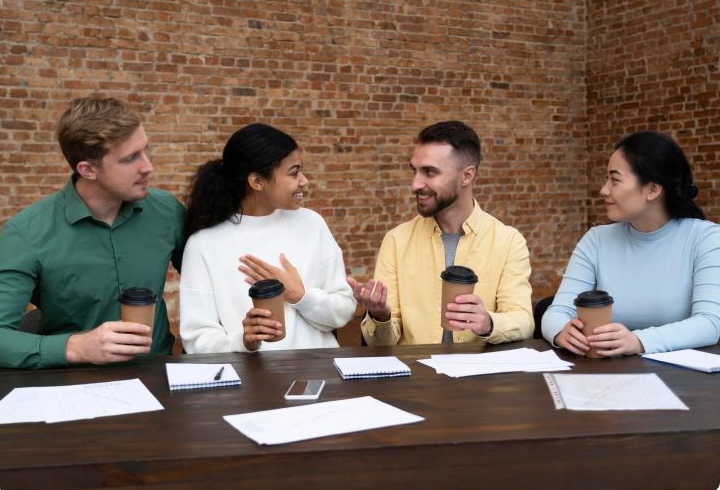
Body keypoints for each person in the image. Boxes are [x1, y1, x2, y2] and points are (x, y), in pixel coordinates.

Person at [0, 97, 185, 368]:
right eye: (130, 158)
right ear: (88, 169)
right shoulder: (24, 235)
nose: (148, 166)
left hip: (158, 377)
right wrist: (76, 347)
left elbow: (209, 282)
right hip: (71, 385)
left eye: (145, 150)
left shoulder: (168, 212)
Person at [348, 121, 534, 346]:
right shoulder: (397, 241)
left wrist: (488, 323)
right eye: (414, 171)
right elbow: (381, 345)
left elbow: (523, 320)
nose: (415, 184)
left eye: (429, 172)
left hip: (481, 376)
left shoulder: (508, 241)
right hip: (416, 378)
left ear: (466, 176)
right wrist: (381, 316)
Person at [179, 123, 356, 353]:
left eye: (301, 170)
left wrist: (301, 297)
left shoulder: (312, 224)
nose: (304, 180)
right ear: (257, 181)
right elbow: (196, 340)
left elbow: (343, 309)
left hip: (319, 375)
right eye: (293, 173)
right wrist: (242, 341)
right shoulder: (203, 245)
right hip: (247, 382)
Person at [542, 131, 720, 356]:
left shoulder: (705, 239)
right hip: (609, 377)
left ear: (653, 189)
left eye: (615, 180)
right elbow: (557, 311)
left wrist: (638, 341)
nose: (604, 190)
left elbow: (709, 324)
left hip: (682, 382)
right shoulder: (597, 240)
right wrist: (561, 331)